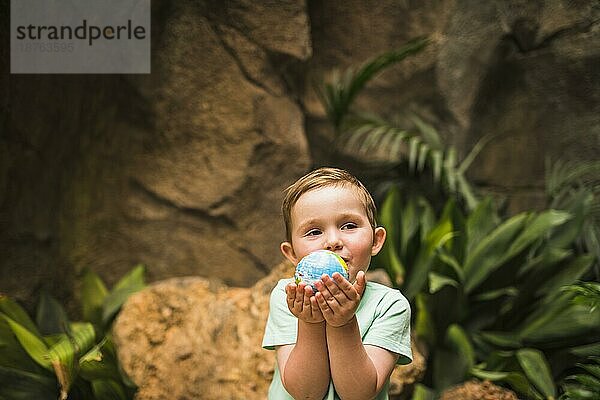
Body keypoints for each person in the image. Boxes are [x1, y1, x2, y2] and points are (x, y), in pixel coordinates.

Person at [262, 167, 412, 400]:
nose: (332, 241)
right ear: (292, 254)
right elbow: (306, 393)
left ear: (376, 240)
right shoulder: (287, 296)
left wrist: (343, 324)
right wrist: (309, 322)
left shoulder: (390, 305)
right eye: (313, 232)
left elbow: (358, 393)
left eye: (349, 226)